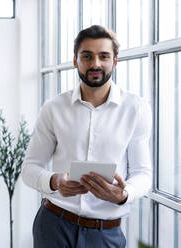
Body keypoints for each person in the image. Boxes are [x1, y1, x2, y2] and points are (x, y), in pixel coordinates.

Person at [22, 25, 152, 248]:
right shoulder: (54, 108)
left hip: (105, 233)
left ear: (115, 60)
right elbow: (30, 168)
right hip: (53, 226)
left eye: (104, 56)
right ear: (75, 61)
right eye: (87, 56)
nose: (95, 64)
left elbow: (143, 173)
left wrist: (123, 194)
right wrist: (55, 181)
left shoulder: (136, 108)